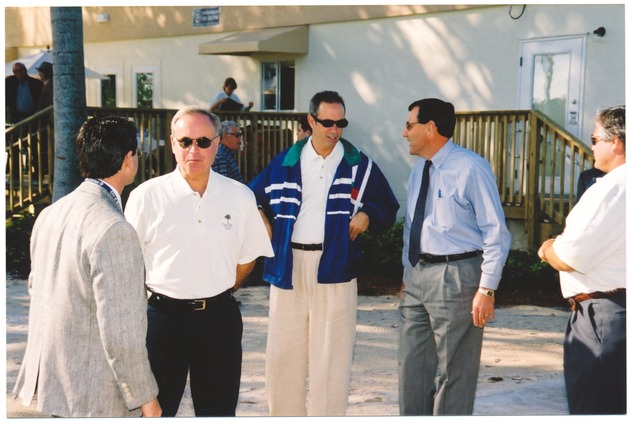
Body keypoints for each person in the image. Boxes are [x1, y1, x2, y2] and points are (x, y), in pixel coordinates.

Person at [248, 90, 399, 416]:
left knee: (332, 357)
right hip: (288, 267)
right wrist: (261, 217)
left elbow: (388, 205)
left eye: (340, 122)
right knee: (283, 354)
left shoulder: (358, 165)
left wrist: (367, 214)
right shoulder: (287, 161)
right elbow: (251, 196)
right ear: (311, 121)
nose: (334, 129)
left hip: (335, 266)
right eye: (327, 122)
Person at [124, 106, 273, 417]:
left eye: (203, 142)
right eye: (186, 141)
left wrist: (215, 288)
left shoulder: (240, 196)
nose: (194, 150)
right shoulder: (145, 196)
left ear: (217, 144)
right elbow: (128, 265)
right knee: (155, 413)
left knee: (217, 413)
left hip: (219, 321)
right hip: (162, 323)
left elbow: (248, 258)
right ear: (172, 143)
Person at [12, 116, 161, 417]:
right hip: (97, 394)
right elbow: (122, 330)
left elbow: (37, 292)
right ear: (128, 159)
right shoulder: (114, 228)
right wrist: (146, 398)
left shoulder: (50, 214)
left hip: (56, 385)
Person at [398, 98, 511, 415]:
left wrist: (486, 289)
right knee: (412, 367)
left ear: (430, 128)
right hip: (418, 275)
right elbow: (411, 226)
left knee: (456, 372)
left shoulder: (471, 167)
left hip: (458, 275)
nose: (404, 133)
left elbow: (496, 232)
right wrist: (408, 273)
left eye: (409, 125)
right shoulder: (419, 168)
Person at [538, 105, 626, 415]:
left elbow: (571, 256)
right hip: (612, 310)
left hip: (605, 315)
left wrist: (547, 247)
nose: (591, 146)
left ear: (616, 142)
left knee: (595, 406)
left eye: (594, 138)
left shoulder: (614, 189)